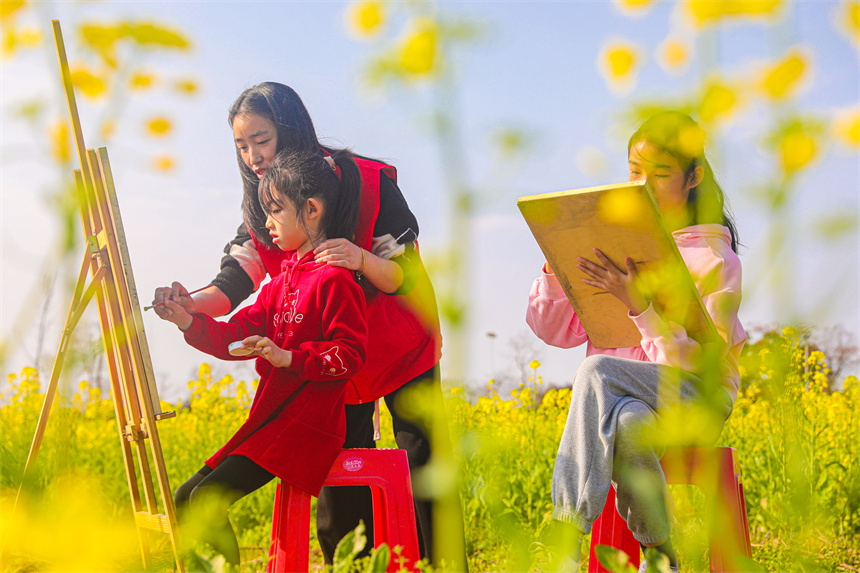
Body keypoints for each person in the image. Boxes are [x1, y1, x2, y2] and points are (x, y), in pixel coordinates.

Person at [152, 82, 463, 568]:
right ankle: (356, 564)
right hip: (329, 359)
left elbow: (407, 277)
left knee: (421, 470)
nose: (253, 156)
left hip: (397, 344)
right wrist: (186, 306)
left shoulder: (367, 182)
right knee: (343, 482)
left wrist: (359, 258)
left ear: (291, 130)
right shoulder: (265, 206)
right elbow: (235, 281)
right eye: (242, 145)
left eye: (262, 139)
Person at [526, 111, 746, 573]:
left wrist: (642, 309)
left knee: (597, 371)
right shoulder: (615, 236)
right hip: (628, 402)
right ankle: (661, 555)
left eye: (661, 174)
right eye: (634, 172)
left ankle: (566, 536)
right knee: (626, 421)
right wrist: (554, 266)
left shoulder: (712, 258)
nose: (644, 183)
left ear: (694, 177)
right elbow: (554, 331)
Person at [154, 149, 368, 568]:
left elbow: (352, 355)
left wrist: (291, 358)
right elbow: (235, 334)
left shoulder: (336, 280)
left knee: (208, 498)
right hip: (272, 419)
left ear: (311, 209)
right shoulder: (280, 282)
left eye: (274, 210)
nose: (266, 223)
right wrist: (187, 320)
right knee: (185, 498)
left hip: (305, 426)